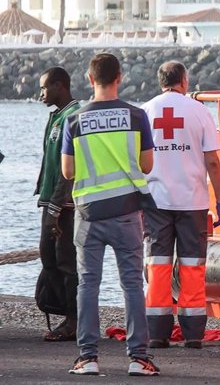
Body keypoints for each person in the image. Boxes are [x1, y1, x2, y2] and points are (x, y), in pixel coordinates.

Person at [61, 53, 160, 376]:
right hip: (127, 212)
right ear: (120, 77)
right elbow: (147, 166)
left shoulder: (74, 119)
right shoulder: (136, 116)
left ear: (90, 80)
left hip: (89, 213)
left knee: (87, 284)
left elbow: (67, 171)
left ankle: (88, 358)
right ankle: (138, 358)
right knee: (131, 284)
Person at [140, 61, 220, 350]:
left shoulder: (147, 111)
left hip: (155, 201)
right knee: (192, 266)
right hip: (193, 201)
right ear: (184, 81)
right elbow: (212, 160)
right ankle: (192, 334)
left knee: (158, 265)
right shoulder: (199, 111)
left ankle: (157, 332)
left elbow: (137, 161)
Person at [35, 67, 80, 341]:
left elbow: (70, 170)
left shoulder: (73, 117)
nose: (41, 93)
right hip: (49, 199)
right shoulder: (57, 117)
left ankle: (74, 319)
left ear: (60, 86)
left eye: (45, 87)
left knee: (66, 262)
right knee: (48, 257)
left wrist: (56, 208)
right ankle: (64, 311)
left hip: (64, 205)